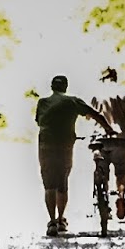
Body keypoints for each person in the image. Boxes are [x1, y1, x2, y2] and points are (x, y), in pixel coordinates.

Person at [35, 74, 112, 236]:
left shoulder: (42, 102)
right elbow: (96, 114)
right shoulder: (73, 101)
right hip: (65, 145)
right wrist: (108, 129)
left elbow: (39, 122)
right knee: (62, 183)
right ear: (65, 87)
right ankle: (61, 218)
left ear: (52, 87)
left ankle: (52, 222)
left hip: (45, 145)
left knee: (49, 185)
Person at [91, 67, 125, 221]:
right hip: (121, 138)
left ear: (102, 79)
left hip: (99, 139)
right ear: (115, 77)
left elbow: (88, 116)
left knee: (103, 173)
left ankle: (104, 203)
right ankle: (120, 195)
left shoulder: (96, 95)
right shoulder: (123, 93)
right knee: (121, 172)